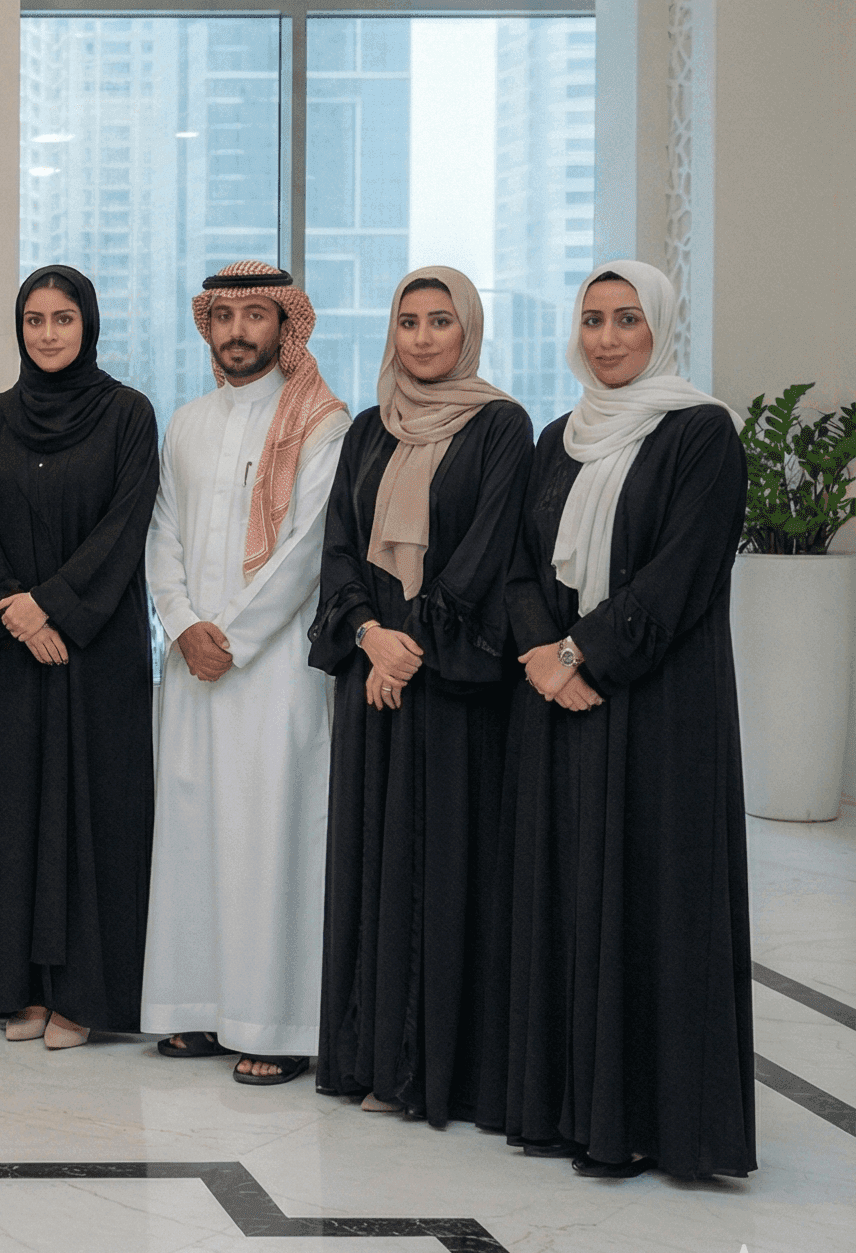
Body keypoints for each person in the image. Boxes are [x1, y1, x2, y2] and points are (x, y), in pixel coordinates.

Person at [492, 261, 754, 1181]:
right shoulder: (559, 437)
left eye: (627, 319)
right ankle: (567, 1106)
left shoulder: (702, 432)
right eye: (593, 319)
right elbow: (521, 566)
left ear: (662, 327)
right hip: (560, 708)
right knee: (566, 895)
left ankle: (654, 1119)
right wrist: (540, 653)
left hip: (659, 710)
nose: (606, 338)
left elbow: (681, 576)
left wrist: (576, 656)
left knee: (653, 900)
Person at [308, 267, 532, 1125]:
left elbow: (489, 550)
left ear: (468, 330)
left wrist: (415, 646)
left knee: (446, 866)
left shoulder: (501, 425)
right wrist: (368, 634)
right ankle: (377, 1059)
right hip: (377, 671)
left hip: (450, 686)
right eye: (409, 322)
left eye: (443, 321)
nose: (426, 337)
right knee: (373, 862)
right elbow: (338, 547)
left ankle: (441, 1070)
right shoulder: (368, 430)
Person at [141, 262, 349, 1086]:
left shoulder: (322, 424)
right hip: (192, 668)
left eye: (254, 315)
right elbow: (163, 534)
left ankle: (276, 1022)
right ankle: (195, 1008)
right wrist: (183, 622)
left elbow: (310, 547)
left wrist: (233, 634)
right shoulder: (187, 423)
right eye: (223, 315)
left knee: (272, 837)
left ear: (284, 324)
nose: (237, 331)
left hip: (276, 670)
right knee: (194, 835)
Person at [0, 266, 160, 1050]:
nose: (47, 333)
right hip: (13, 653)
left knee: (95, 816)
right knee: (14, 817)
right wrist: (15, 605)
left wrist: (55, 606)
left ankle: (85, 995)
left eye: (63, 319)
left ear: (89, 327)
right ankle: (20, 988)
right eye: (35, 319)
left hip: (96, 651)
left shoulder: (127, 415)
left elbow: (126, 524)